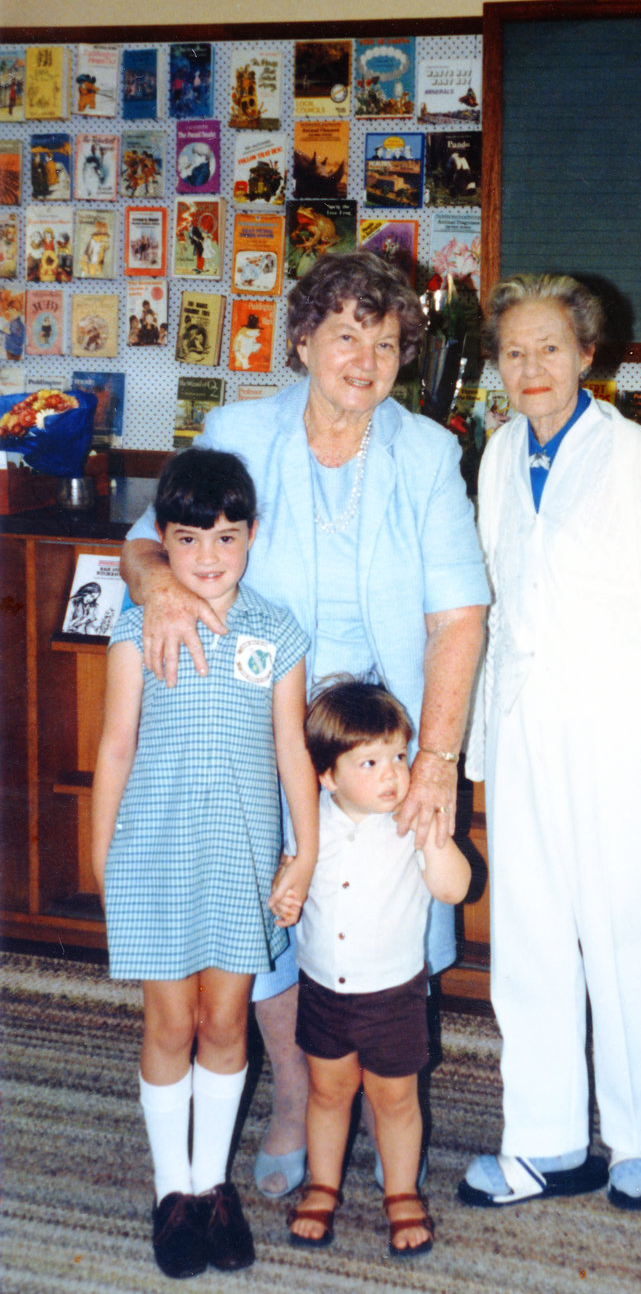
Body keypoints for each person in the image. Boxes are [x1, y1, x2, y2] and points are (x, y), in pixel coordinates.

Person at [120, 249, 489, 1201]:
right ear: (303, 342)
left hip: (384, 739)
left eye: (385, 341)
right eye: (344, 336)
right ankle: (294, 1095)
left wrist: (439, 757)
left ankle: (381, 1095)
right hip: (262, 725)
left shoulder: (426, 452)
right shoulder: (243, 428)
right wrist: (157, 580)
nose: (363, 359)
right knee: (270, 912)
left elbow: (457, 614)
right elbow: (151, 531)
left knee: (386, 907)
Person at [460, 274, 641, 1212]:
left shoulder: (635, 456)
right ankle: (545, 1141)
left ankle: (635, 1137)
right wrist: (478, 743)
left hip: (619, 732)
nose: (532, 368)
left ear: (587, 356)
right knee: (528, 941)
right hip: (524, 727)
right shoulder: (492, 455)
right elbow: (488, 604)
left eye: (550, 349)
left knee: (616, 939)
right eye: (514, 352)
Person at [91, 449, 320, 1280]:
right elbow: (115, 747)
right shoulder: (138, 623)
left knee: (225, 1023)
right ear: (162, 539)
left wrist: (303, 853)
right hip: (154, 852)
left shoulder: (276, 631)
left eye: (227, 536)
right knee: (169, 1022)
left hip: (241, 855)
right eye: (189, 539)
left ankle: (211, 1183)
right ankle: (170, 1191)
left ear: (253, 534)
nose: (210, 556)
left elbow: (294, 752)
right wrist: (100, 859)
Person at [278, 678, 471, 1257]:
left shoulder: (409, 822)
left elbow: (456, 888)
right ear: (327, 775)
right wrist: (284, 896)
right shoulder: (308, 823)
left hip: (393, 996)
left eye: (399, 757)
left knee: (395, 1098)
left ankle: (403, 1192)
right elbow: (292, 881)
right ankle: (322, 1184)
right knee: (328, 1093)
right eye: (370, 762)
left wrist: (435, 838)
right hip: (323, 990)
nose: (393, 774)